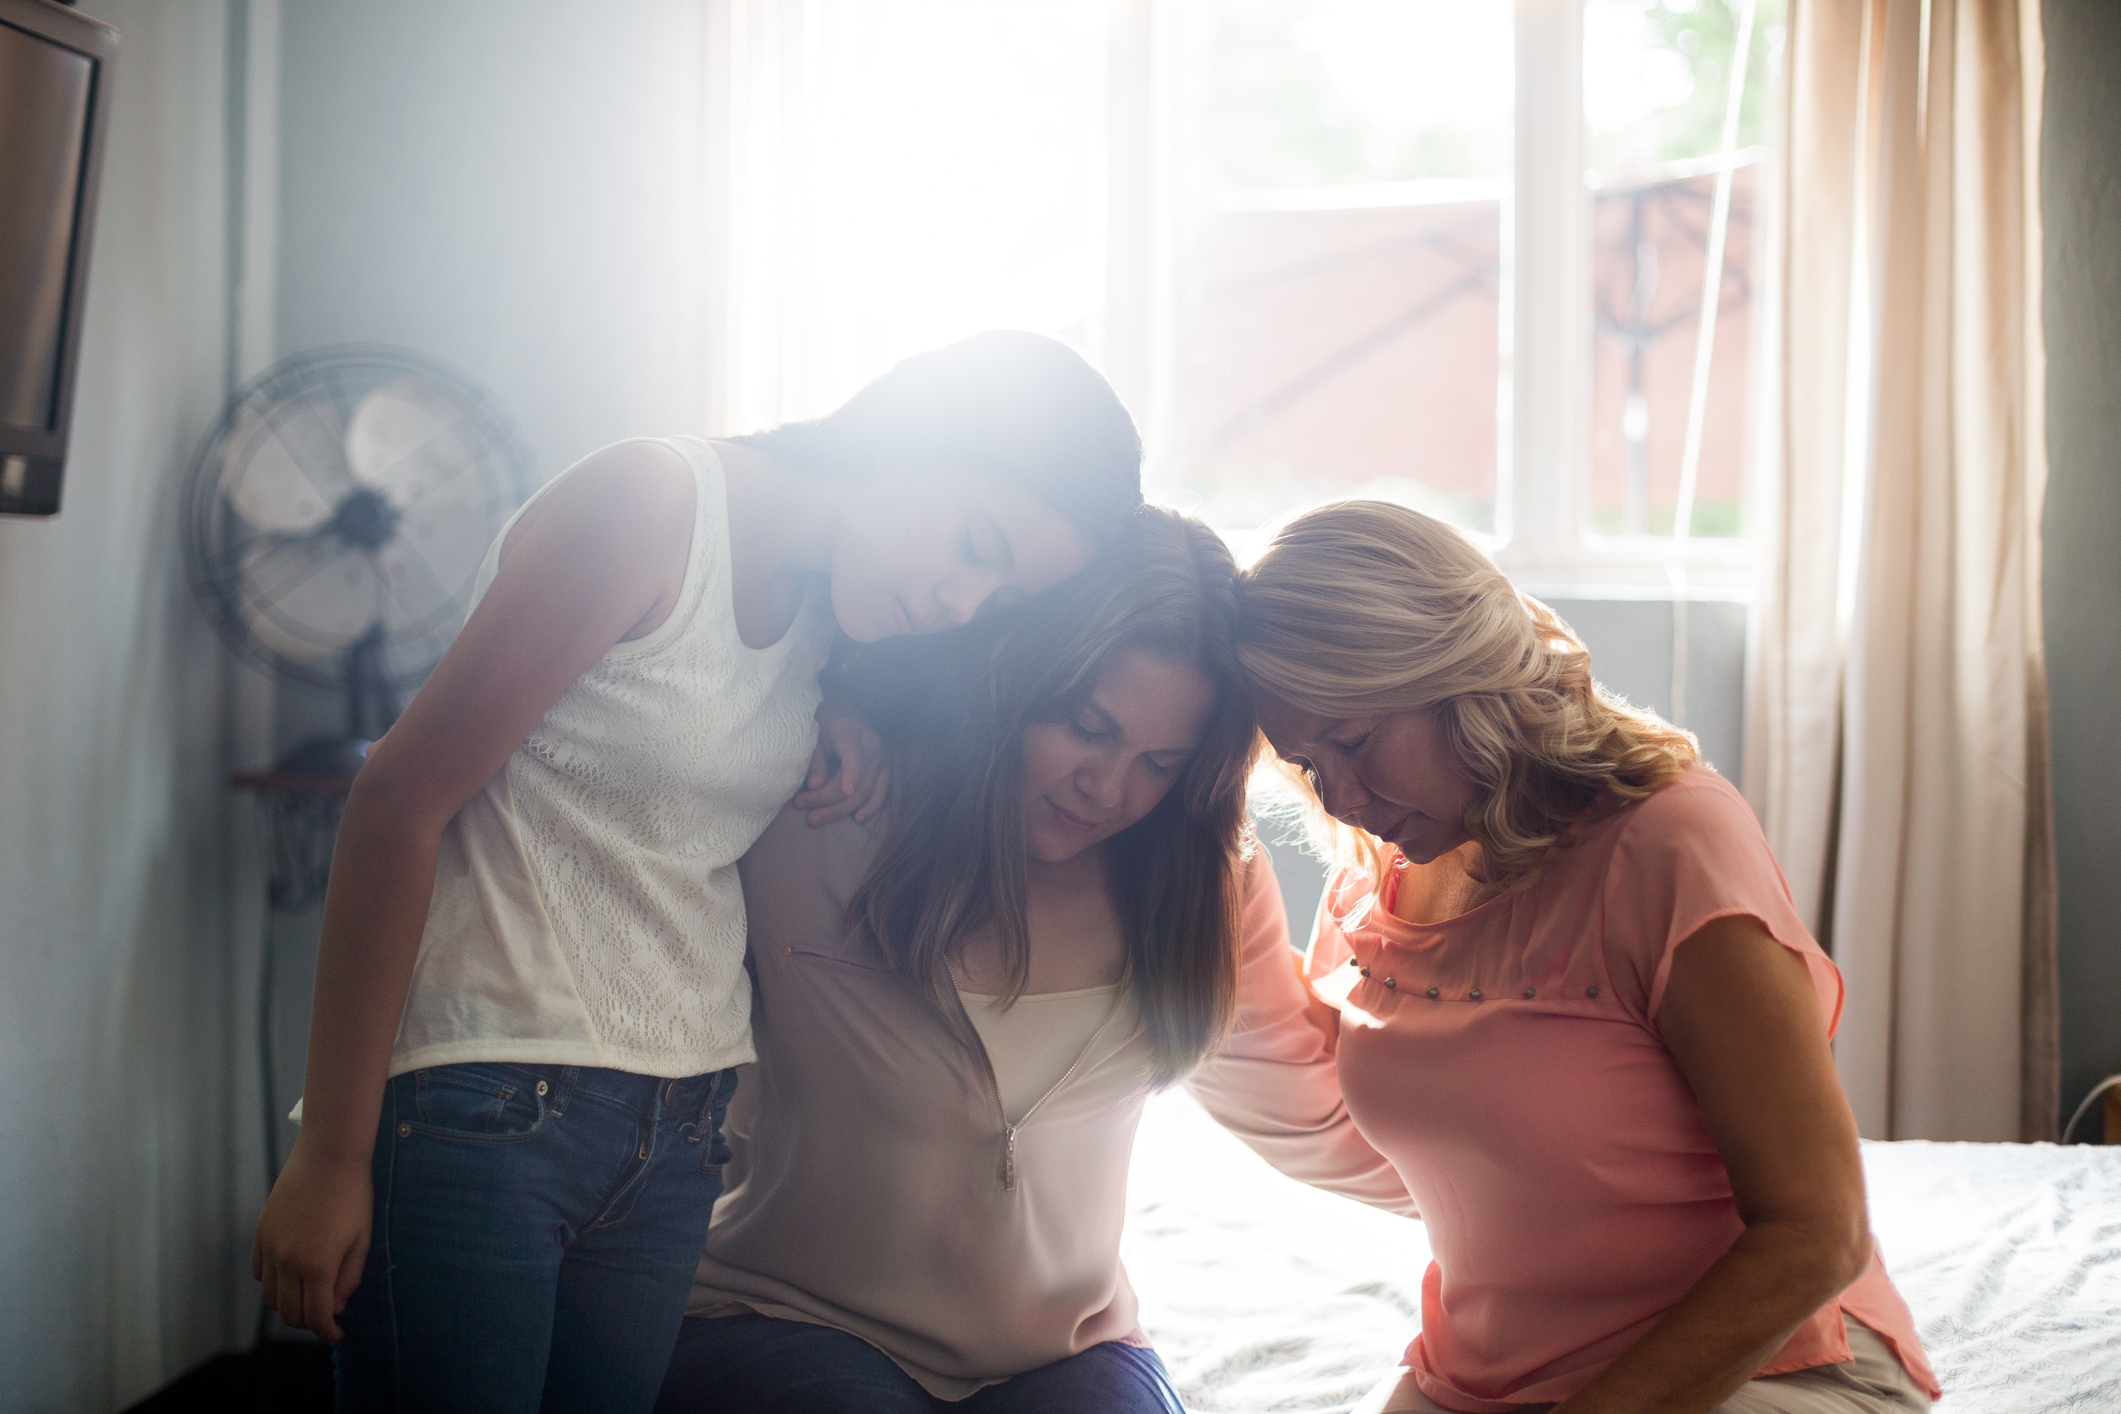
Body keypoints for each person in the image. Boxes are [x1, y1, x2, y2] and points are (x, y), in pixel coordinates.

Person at [248, 331, 1144, 1413]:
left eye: (999, 595)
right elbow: (399, 799)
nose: (961, 599)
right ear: (913, 434)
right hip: (484, 1105)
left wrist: (842, 710)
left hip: (675, 1137)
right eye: (976, 542)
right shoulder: (649, 504)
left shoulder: (832, 616)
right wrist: (333, 1155)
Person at [656, 507, 1414, 1414]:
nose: (1106, 788)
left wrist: (1532, 1217)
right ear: (1009, 675)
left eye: (1158, 762)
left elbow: (1304, 1110)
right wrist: (832, 699)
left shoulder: (1202, 881)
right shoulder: (826, 804)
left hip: (1068, 1351)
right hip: (780, 1318)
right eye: (1085, 728)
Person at [1233, 500, 1941, 1414]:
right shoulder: (1373, 877)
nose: (1344, 798)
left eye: (1359, 742)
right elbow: (1355, 1113)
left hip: (1755, 1369)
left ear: (1451, 667)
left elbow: (1819, 1233)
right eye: (1309, 765)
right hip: (1480, 1378)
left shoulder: (1665, 842)